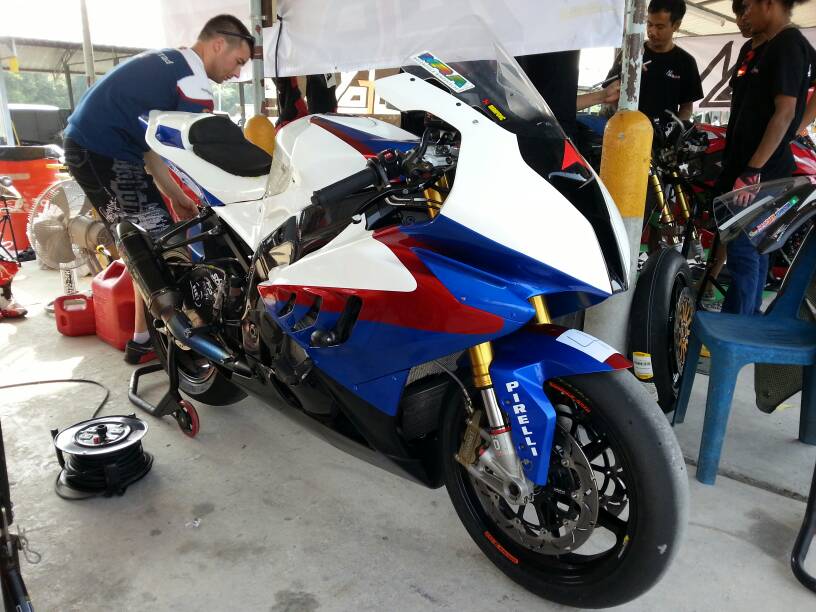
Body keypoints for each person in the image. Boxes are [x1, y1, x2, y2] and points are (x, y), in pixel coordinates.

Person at [64, 14, 252, 363]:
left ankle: (142, 339)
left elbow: (150, 147)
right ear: (218, 44)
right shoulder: (192, 81)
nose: (238, 73)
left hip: (107, 150)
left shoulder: (172, 64)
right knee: (158, 247)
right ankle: (175, 338)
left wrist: (177, 197)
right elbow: (201, 155)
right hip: (101, 152)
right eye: (238, 61)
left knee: (147, 246)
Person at [718, 0, 813, 315]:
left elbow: (784, 113)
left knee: (745, 255)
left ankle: (737, 327)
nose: (744, 14)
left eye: (748, 6)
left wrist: (753, 169)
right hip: (745, 165)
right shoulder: (760, 47)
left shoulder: (789, 44)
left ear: (768, 4)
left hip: (760, 173)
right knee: (753, 252)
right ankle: (748, 321)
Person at [606, 0, 703, 122]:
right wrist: (621, 118)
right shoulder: (630, 53)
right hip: (626, 127)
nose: (651, 31)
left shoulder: (686, 62)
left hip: (664, 132)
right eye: (649, 24)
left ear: (676, 25)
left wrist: (677, 128)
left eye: (659, 27)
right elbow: (608, 93)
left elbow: (686, 106)